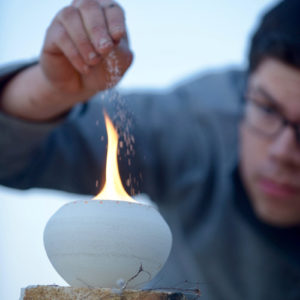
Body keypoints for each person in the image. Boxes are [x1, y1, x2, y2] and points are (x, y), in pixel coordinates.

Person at [0, 0, 300, 299]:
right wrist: (50, 91)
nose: (283, 152)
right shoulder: (195, 128)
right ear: (245, 89)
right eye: (267, 108)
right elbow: (14, 158)